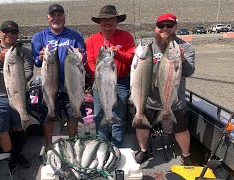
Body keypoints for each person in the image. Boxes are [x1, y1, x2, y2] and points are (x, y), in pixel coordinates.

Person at [134, 13, 195, 165]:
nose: (165, 28)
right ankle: (143, 150)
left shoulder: (186, 47)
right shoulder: (149, 47)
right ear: (156, 28)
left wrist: (182, 60)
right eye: (161, 26)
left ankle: (186, 156)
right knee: (142, 124)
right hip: (149, 97)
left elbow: (189, 72)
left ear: (175, 27)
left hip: (174, 99)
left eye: (169, 25)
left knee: (180, 128)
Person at [0, 20, 34, 170]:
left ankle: (18, 154)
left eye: (14, 32)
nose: (10, 34)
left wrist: (16, 81)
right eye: (6, 31)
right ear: (0, 32)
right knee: (1, 130)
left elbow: (29, 72)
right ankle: (9, 157)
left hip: (19, 93)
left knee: (19, 127)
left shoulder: (25, 51)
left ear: (17, 34)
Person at [31, 4, 86, 149]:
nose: (57, 18)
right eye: (53, 15)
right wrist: (40, 57)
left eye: (60, 15)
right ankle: (49, 145)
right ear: (48, 18)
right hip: (50, 83)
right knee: (48, 116)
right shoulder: (39, 37)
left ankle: (72, 143)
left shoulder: (75, 36)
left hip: (71, 83)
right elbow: (36, 61)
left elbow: (84, 57)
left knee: (73, 114)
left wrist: (81, 55)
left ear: (64, 17)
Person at [85, 5, 135, 147]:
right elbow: (90, 62)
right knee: (100, 114)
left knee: (118, 116)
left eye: (111, 19)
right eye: (104, 20)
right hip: (100, 83)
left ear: (117, 21)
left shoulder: (126, 36)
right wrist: (101, 72)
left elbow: (132, 58)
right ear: (99, 22)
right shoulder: (91, 40)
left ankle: (116, 147)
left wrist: (118, 54)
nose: (107, 22)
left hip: (121, 82)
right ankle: (102, 146)